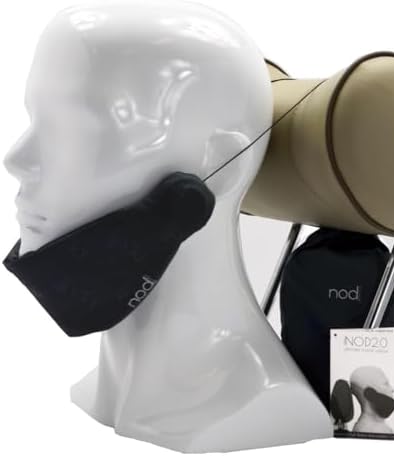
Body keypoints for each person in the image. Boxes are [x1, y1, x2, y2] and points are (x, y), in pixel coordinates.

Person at [3, 1, 332, 452]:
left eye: (72, 130)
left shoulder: (266, 408)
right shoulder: (99, 394)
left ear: (216, 168)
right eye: (34, 119)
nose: (16, 160)